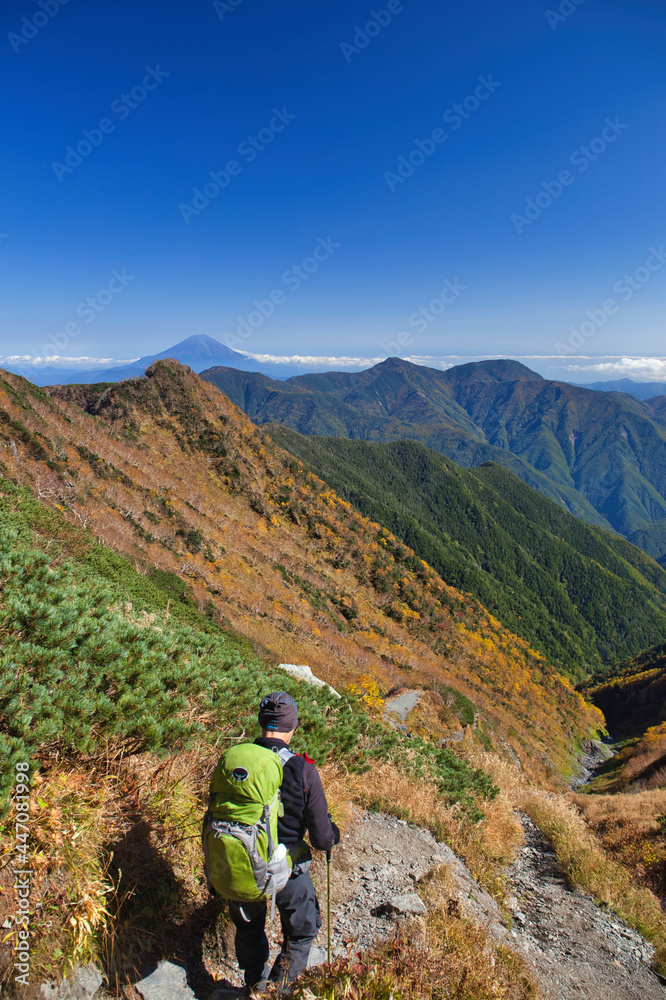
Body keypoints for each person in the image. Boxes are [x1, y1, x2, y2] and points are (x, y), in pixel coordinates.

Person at [227, 691, 340, 993]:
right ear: (294, 725)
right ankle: (278, 991)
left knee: (249, 928)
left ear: (261, 721)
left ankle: (255, 983)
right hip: (286, 867)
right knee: (302, 930)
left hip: (240, 863)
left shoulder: (235, 760)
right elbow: (321, 838)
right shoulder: (303, 769)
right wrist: (333, 834)